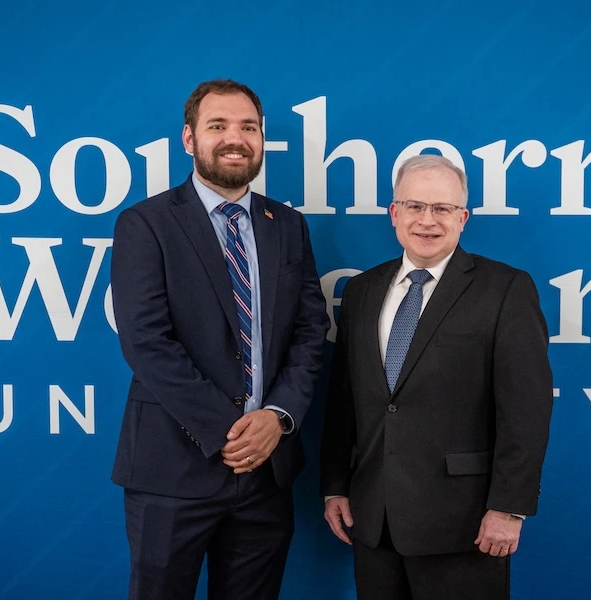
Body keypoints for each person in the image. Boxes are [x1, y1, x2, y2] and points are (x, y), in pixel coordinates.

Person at [110, 79, 329, 600]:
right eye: (218, 125)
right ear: (189, 138)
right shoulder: (146, 224)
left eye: (248, 127)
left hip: (266, 473)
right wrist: (231, 431)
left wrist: (277, 418)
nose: (236, 138)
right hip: (172, 470)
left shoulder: (288, 226)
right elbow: (146, 341)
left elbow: (309, 332)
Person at [320, 154, 553, 599]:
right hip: (373, 520)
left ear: (462, 218)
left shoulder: (505, 289)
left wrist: (508, 508)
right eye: (414, 206)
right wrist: (335, 486)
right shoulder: (362, 290)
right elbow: (344, 400)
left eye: (442, 208)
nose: (427, 220)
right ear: (394, 213)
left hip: (464, 526)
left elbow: (526, 411)